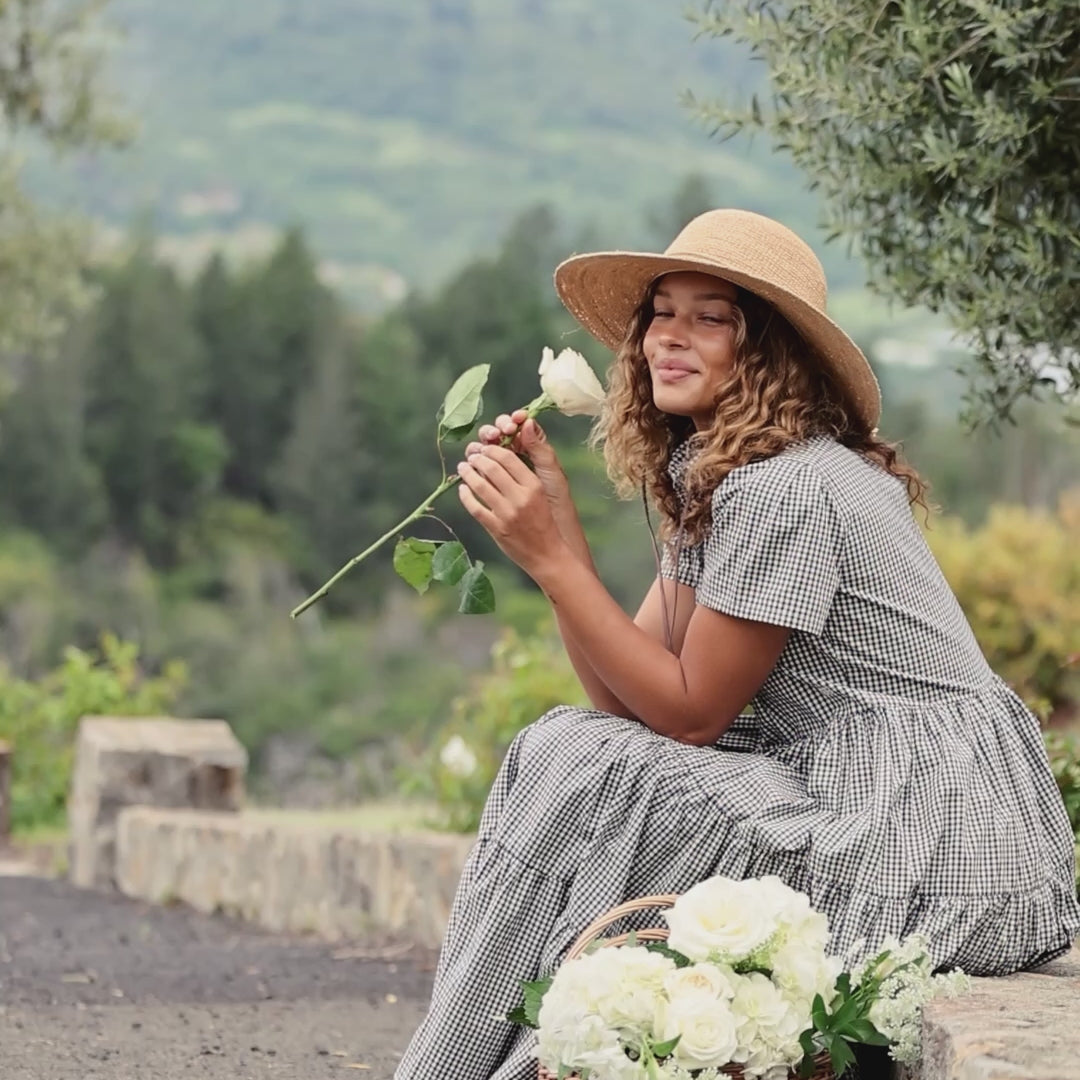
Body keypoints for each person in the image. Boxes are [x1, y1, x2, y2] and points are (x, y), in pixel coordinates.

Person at [395, 209, 1080, 1080]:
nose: (667, 339)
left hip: (936, 828)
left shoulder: (788, 488)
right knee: (578, 747)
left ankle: (461, 1064)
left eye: (709, 317)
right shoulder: (733, 477)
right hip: (880, 793)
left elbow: (688, 718)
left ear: (768, 352)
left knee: (574, 760)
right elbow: (625, 706)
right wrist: (559, 528)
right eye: (661, 313)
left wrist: (552, 565)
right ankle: (488, 1057)